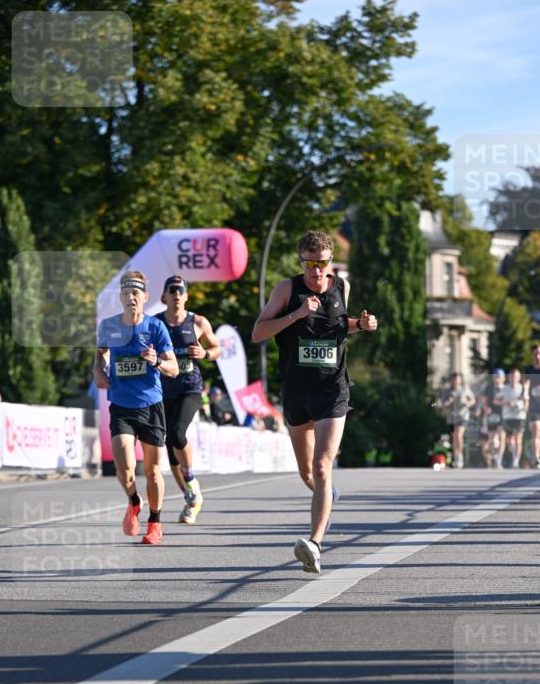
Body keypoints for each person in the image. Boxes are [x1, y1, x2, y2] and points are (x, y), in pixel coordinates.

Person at [252, 230, 377, 574]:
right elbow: (258, 333)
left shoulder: (342, 287)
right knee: (307, 472)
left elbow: (337, 326)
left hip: (332, 390)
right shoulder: (287, 290)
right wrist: (295, 315)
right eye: (309, 264)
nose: (316, 271)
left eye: (322, 263)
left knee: (322, 466)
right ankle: (327, 495)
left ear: (330, 263)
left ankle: (315, 544)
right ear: (301, 262)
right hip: (295, 391)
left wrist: (361, 325)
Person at [93, 271, 178, 545]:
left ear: (144, 297)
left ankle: (154, 522)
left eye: (136, 293)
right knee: (126, 468)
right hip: (121, 405)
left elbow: (173, 369)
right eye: (127, 293)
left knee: (153, 471)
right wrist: (99, 372)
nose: (131, 297)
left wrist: (155, 362)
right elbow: (100, 355)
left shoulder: (156, 328)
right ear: (121, 297)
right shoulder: (109, 326)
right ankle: (133, 500)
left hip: (151, 405)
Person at [157, 274, 221, 525]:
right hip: (162, 390)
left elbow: (217, 349)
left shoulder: (198, 322)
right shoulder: (155, 324)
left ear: (186, 296)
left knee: (177, 431)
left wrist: (205, 352)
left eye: (180, 290)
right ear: (163, 297)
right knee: (169, 447)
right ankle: (191, 499)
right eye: (171, 290)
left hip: (189, 388)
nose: (176, 294)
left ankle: (191, 480)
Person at [437, 372, 475, 469]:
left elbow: (473, 400)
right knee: (454, 438)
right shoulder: (447, 391)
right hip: (451, 418)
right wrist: (446, 403)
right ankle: (456, 457)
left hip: (462, 416)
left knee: (459, 435)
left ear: (460, 380)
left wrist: (467, 403)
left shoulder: (464, 389)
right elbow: (438, 403)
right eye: (453, 379)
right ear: (450, 380)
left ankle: (460, 457)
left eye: (457, 379)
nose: (455, 381)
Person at [501, 368, 527, 469]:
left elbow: (527, 400)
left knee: (518, 438)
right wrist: (506, 403)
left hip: (519, 416)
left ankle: (516, 460)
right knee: (509, 440)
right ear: (509, 377)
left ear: (519, 377)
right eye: (512, 376)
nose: (514, 378)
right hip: (507, 416)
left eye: (516, 376)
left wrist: (525, 407)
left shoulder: (522, 388)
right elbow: (496, 400)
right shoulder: (505, 388)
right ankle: (513, 454)